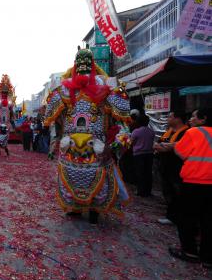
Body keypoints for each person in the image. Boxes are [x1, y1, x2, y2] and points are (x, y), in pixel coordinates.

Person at [44, 46, 131, 224]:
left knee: (84, 176)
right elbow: (123, 120)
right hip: (84, 147)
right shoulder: (105, 86)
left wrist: (116, 144)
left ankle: (90, 209)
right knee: (76, 176)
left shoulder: (63, 89)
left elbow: (53, 120)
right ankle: (84, 209)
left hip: (83, 147)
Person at [169, 109, 212, 269]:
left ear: (203, 119)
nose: (191, 119)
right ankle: (208, 257)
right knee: (208, 220)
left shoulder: (194, 132)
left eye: (194, 116)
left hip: (194, 181)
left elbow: (181, 152)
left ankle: (190, 251)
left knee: (187, 217)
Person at [154, 111, 188, 225]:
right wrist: (164, 147)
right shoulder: (168, 132)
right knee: (168, 192)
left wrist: (165, 147)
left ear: (177, 119)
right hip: (165, 166)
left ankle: (179, 217)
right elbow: (157, 145)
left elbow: (170, 147)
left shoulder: (185, 132)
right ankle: (171, 216)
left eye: (170, 117)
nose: (167, 118)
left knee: (178, 193)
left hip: (178, 168)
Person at [131, 114, 155, 197]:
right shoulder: (151, 131)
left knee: (140, 173)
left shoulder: (136, 131)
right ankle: (148, 191)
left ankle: (141, 191)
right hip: (149, 154)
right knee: (148, 172)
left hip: (138, 154)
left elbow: (131, 142)